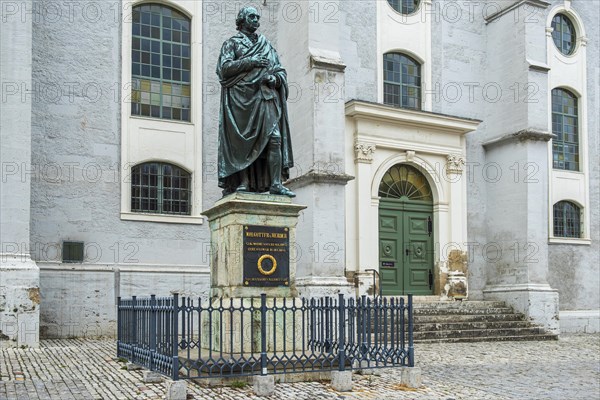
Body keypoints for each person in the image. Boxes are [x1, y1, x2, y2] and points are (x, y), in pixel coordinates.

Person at [216, 6, 295, 197]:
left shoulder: (266, 44)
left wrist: (275, 80)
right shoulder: (232, 44)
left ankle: (275, 183)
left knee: (274, 139)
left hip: (265, 98)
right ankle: (243, 182)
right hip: (241, 102)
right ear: (242, 20)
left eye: (258, 17)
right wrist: (251, 61)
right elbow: (224, 69)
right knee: (242, 143)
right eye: (252, 17)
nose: (256, 20)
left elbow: (279, 69)